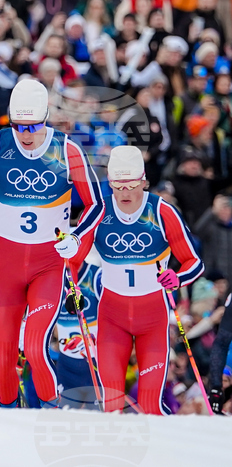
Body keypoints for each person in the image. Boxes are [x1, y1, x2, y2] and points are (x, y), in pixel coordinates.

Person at [0, 79, 105, 407]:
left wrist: (76, 237)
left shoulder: (66, 149)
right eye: (18, 125)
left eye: (33, 125)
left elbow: (97, 205)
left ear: (45, 118)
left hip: (47, 267)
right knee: (4, 352)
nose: (25, 133)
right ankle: (4, 420)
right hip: (5, 267)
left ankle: (52, 412)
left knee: (35, 347)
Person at [71, 146, 203, 414]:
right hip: (112, 318)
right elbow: (72, 261)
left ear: (144, 181)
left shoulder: (162, 212)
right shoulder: (98, 211)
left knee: (151, 405)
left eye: (131, 185)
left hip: (152, 321)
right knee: (111, 405)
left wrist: (176, 278)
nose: (125, 194)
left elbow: (195, 262)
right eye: (117, 187)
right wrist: (73, 291)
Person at [53, 260, 102, 409]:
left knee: (97, 424)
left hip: (95, 370)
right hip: (66, 369)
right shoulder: (52, 278)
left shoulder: (96, 276)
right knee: (63, 423)